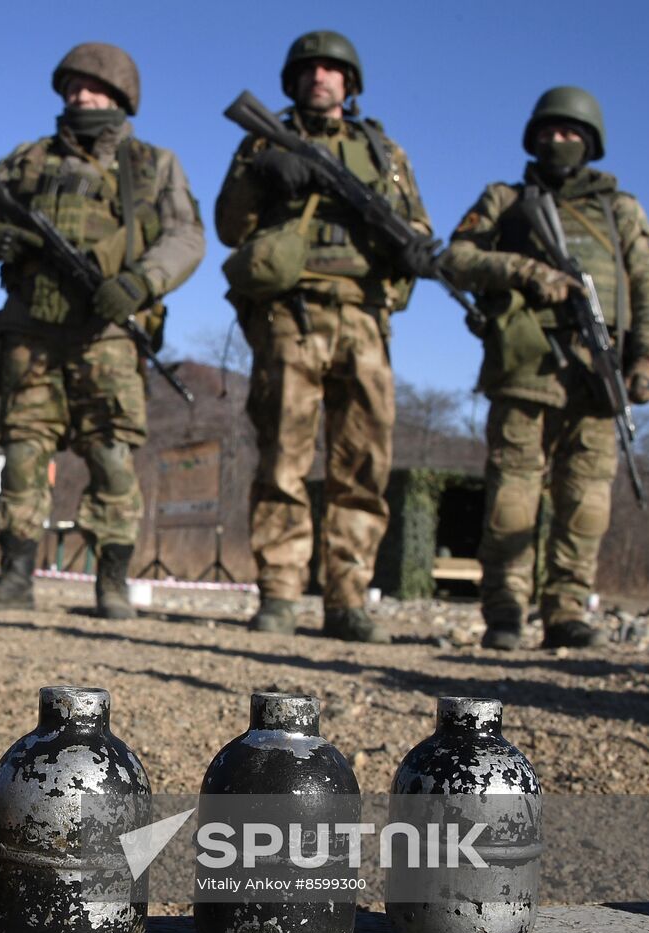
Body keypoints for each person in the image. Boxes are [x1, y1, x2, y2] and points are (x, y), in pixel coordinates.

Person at [0, 42, 205, 619]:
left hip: (108, 331)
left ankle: (111, 583)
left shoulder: (152, 163)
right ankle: (14, 576)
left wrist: (140, 283)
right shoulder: (28, 158)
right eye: (71, 86)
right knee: (21, 450)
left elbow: (186, 237)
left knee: (112, 454)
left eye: (92, 87)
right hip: (32, 328)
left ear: (119, 96)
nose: (79, 96)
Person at [215, 30, 435, 642]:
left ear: (351, 83)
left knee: (363, 462)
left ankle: (347, 599)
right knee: (284, 455)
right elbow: (231, 228)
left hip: (365, 316)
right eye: (309, 69)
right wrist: (263, 171)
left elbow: (415, 223)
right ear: (292, 82)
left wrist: (413, 245)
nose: (320, 77)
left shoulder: (384, 151)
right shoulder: (261, 141)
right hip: (292, 313)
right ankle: (281, 594)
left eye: (333, 70)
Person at [442, 86, 649, 649]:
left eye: (570, 133)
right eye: (548, 131)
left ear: (590, 142)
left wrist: (647, 358)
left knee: (586, 498)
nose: (558, 140)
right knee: (512, 495)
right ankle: (505, 610)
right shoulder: (505, 199)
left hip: (598, 372)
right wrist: (527, 272)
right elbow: (456, 258)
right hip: (525, 364)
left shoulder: (620, 210)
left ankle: (567, 610)